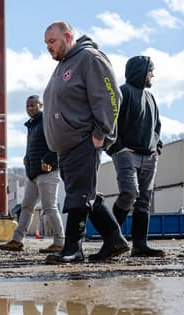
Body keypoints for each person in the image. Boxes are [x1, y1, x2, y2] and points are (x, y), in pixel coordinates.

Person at [41, 21, 128, 265]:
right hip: (66, 145)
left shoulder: (89, 58)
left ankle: (72, 248)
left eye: (52, 41)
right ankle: (114, 240)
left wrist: (101, 132)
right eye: (46, 43)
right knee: (85, 194)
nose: (48, 47)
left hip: (83, 139)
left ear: (68, 36)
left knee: (79, 196)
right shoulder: (63, 65)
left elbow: (111, 96)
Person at [107, 56, 165, 258]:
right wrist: (118, 147)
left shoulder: (151, 98)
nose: (153, 75)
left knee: (144, 201)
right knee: (129, 193)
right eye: (151, 70)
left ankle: (140, 246)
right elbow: (110, 122)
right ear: (141, 71)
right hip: (126, 154)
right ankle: (111, 240)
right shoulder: (122, 92)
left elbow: (157, 127)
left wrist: (157, 148)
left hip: (150, 156)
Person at [0, 95, 65, 254]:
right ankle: (17, 241)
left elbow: (59, 141)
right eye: (27, 106)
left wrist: (48, 159)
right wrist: (27, 159)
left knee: (50, 207)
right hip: (32, 174)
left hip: (48, 172)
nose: (30, 108)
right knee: (26, 207)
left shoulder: (47, 120)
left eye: (33, 105)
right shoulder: (32, 125)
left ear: (41, 105)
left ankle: (60, 242)